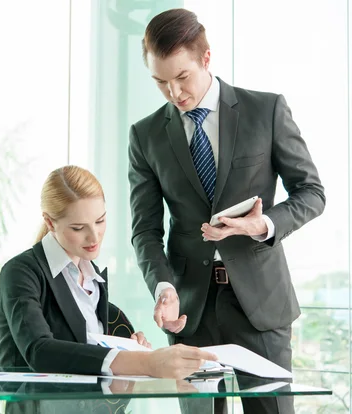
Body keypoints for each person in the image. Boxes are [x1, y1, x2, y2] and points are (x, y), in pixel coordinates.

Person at [128, 8, 325, 414]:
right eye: (160, 82)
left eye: (181, 77)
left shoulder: (265, 110)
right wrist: (163, 288)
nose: (173, 93)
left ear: (206, 58)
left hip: (261, 304)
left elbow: (312, 192)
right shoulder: (145, 135)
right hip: (190, 310)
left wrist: (265, 224)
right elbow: (145, 229)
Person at [0, 165, 218, 381]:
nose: (94, 237)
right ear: (49, 223)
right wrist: (144, 363)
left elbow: (84, 354)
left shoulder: (93, 279)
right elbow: (40, 351)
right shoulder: (20, 273)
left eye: (100, 221)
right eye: (78, 228)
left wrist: (128, 350)